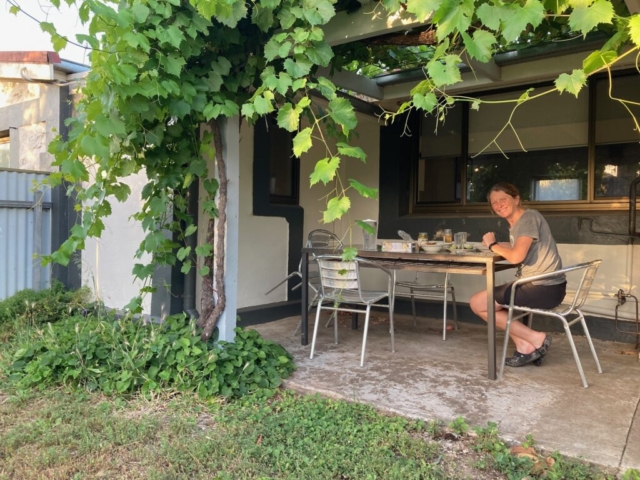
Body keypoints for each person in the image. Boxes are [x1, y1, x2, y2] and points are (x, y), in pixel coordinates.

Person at [469, 183, 567, 367]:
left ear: (516, 199)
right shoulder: (520, 222)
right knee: (492, 303)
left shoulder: (528, 217)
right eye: (494, 203)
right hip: (546, 285)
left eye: (503, 200)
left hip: (543, 287)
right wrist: (496, 245)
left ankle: (537, 338)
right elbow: (519, 247)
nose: (499, 205)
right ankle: (524, 346)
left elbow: (516, 256)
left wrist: (492, 245)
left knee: (478, 303)